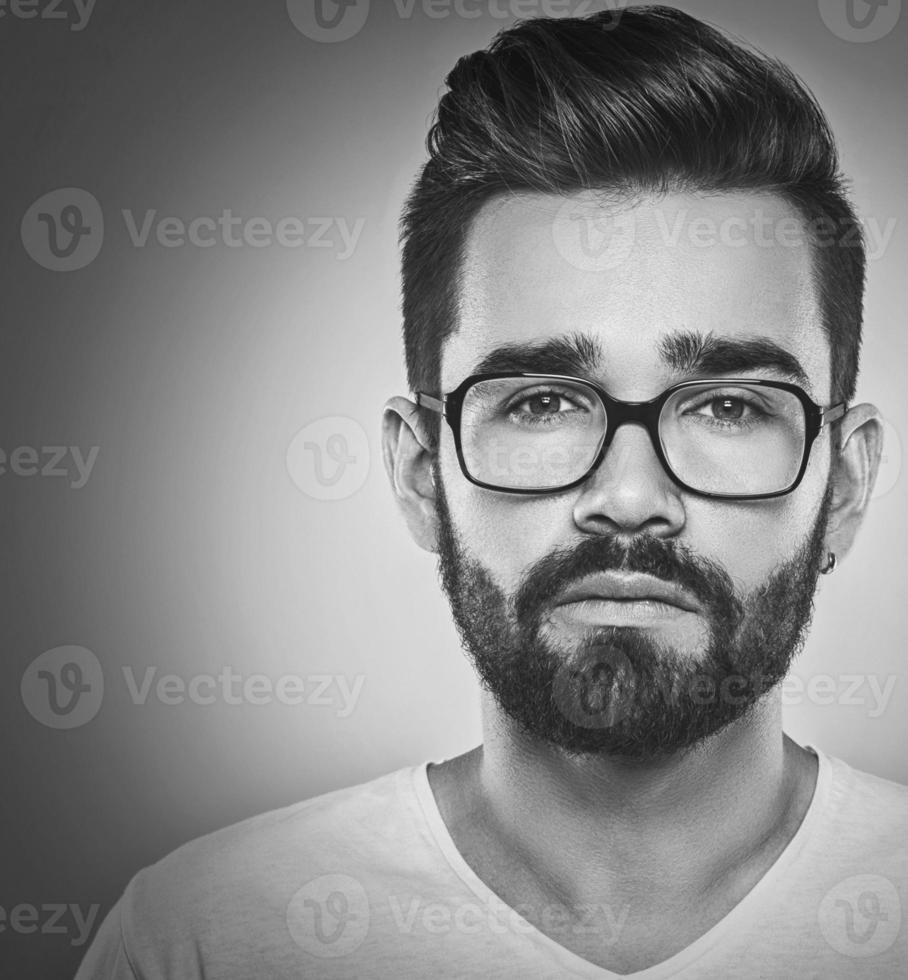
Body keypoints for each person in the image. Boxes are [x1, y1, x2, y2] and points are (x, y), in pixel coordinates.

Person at [76, 6, 908, 977]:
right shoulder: (204, 939)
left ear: (844, 482)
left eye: (725, 406)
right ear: (421, 472)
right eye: (544, 401)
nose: (630, 495)